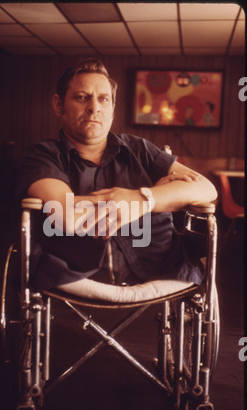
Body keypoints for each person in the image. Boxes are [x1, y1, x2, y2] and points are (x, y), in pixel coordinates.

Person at [16, 59, 217, 291]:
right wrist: (162, 195)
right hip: (75, 271)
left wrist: (143, 198)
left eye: (103, 99)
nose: (94, 107)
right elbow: (67, 216)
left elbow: (206, 188)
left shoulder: (139, 149)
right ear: (59, 105)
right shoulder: (43, 155)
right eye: (82, 97)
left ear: (112, 107)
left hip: (162, 264)